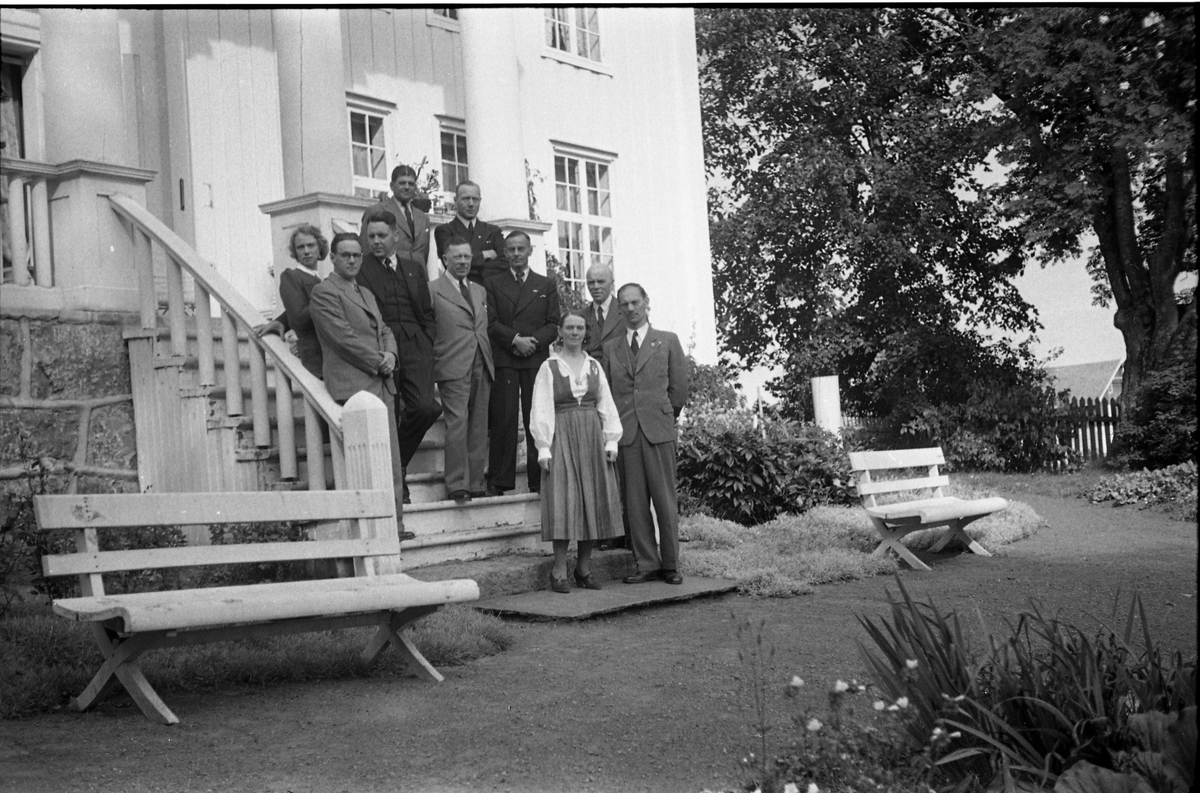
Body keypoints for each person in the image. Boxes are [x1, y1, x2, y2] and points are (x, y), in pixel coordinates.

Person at [309, 233, 407, 521]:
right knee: (366, 465)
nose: (352, 260)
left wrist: (391, 355)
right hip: (354, 385)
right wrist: (379, 361)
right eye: (345, 255)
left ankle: (395, 524)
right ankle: (376, 526)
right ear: (333, 258)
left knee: (390, 460)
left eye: (356, 255)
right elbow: (343, 338)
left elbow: (385, 330)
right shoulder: (325, 292)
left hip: (381, 383)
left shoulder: (365, 292)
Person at [531, 310, 624, 593]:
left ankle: (583, 569)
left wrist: (611, 441)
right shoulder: (549, 366)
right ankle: (558, 570)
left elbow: (606, 404)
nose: (574, 332)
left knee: (592, 501)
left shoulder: (594, 365)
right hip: (562, 436)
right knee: (564, 501)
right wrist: (543, 447)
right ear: (560, 331)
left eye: (579, 328)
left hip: (592, 437)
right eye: (569, 327)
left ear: (585, 332)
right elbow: (541, 407)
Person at [602, 283, 690, 585]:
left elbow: (679, 389)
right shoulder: (612, 347)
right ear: (619, 309)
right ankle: (646, 563)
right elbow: (609, 392)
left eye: (635, 302)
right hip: (627, 432)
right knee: (635, 501)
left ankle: (671, 565)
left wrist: (664, 416)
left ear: (646, 303)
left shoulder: (667, 341)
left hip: (658, 428)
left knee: (664, 499)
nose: (630, 308)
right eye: (624, 304)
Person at [355, 209, 442, 504]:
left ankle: (398, 462)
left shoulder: (414, 267)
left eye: (382, 236)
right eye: (371, 237)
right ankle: (397, 484)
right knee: (389, 417)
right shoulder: (361, 267)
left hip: (417, 344)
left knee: (427, 408)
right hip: (384, 347)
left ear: (396, 236)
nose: (376, 241)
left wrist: (427, 337)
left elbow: (426, 310)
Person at [484, 231, 560, 496]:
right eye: (511, 249)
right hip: (506, 356)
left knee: (535, 417)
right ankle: (499, 480)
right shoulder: (493, 283)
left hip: (535, 359)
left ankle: (538, 478)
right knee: (504, 418)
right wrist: (515, 340)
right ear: (505, 253)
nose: (516, 254)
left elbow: (553, 323)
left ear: (530, 251)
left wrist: (534, 343)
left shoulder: (545, 284)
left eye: (521, 249)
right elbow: (491, 323)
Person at [431, 236, 494, 502]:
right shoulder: (432, 289)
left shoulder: (479, 290)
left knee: (479, 424)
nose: (463, 262)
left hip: (481, 360)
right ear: (445, 259)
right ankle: (457, 483)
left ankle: (477, 481)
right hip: (452, 362)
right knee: (457, 423)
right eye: (457, 257)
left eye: (467, 257)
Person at [254, 224, 327, 378]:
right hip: (314, 355)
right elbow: (300, 318)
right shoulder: (291, 276)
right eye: (300, 247)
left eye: (311, 245)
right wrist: (330, 298)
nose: (306, 251)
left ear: (320, 248)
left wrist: (283, 320)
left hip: (328, 351)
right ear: (295, 252)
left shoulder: (320, 280)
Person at [433, 181, 507, 284]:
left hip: (489, 291)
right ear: (455, 201)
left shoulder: (493, 231)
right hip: (459, 291)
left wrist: (474, 268)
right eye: (466, 199)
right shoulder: (445, 230)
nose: (471, 204)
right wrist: (484, 255)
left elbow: (505, 262)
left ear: (480, 201)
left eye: (475, 199)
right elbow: (450, 262)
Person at [360, 165, 429, 270]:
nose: (407, 187)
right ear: (392, 186)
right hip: (389, 277)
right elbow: (366, 250)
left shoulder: (423, 218)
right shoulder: (376, 211)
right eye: (402, 183)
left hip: (418, 280)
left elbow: (424, 255)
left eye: (411, 184)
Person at [583, 263, 625, 369]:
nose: (596, 287)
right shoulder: (580, 317)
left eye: (601, 282)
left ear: (612, 284)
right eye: (591, 283)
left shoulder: (626, 313)